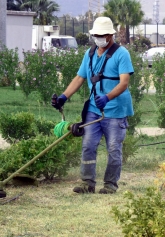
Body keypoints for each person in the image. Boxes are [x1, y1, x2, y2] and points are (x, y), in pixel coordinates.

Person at [51, 17, 134, 194]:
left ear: (110, 36)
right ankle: (87, 183)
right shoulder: (89, 54)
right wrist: (63, 97)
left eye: (102, 35)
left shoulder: (121, 54)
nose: (98, 38)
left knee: (113, 148)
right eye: (96, 35)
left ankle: (110, 184)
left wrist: (107, 97)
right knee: (88, 145)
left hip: (115, 110)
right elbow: (80, 78)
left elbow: (124, 83)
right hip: (94, 110)